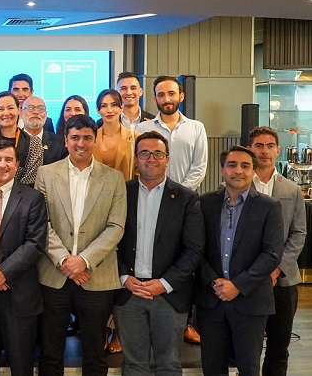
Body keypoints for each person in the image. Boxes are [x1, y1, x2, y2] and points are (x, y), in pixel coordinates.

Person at [34, 114, 126, 376]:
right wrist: (65, 260)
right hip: (54, 275)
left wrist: (84, 260)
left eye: (87, 137)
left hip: (96, 276)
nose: (81, 143)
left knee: (95, 354)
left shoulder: (114, 178)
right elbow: (42, 223)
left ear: (95, 140)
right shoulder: (46, 174)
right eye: (75, 137)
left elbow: (116, 227)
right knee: (50, 353)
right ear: (66, 140)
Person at [114, 131, 204, 375]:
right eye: (144, 153)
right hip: (128, 292)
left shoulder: (186, 198)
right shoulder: (121, 193)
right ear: (135, 159)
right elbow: (110, 240)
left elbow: (194, 250)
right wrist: (123, 277)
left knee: (169, 365)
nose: (151, 158)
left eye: (158, 153)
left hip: (169, 295)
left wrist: (164, 283)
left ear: (167, 159)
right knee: (133, 365)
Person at [195, 146, 283, 376]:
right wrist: (214, 281)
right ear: (222, 170)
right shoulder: (204, 204)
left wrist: (238, 285)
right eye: (232, 165)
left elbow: (272, 254)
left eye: (245, 166)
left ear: (253, 171)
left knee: (249, 368)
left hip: (251, 300)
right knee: (212, 368)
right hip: (211, 299)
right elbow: (195, 249)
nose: (238, 171)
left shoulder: (269, 207)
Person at [0, 139, 47, 376]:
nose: (2, 165)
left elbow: (35, 243)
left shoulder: (33, 198)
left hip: (19, 294)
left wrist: (3, 272)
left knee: (22, 365)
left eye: (8, 160)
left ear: (17, 164)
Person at [247, 127, 307, 376]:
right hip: (246, 279)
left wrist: (276, 269)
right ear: (250, 149)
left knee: (278, 348)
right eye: (259, 145)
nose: (264, 151)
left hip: (282, 280)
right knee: (246, 348)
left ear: (278, 150)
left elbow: (299, 233)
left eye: (270, 146)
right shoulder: (237, 184)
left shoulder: (291, 190)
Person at [136, 75, 208, 191]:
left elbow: (199, 166)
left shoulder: (196, 128)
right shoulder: (142, 129)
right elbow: (139, 165)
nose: (167, 100)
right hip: (151, 193)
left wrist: (182, 191)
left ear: (181, 96)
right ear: (155, 99)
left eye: (171, 94)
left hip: (187, 195)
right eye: (161, 95)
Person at [92, 89, 140, 181]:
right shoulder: (92, 139)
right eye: (104, 106)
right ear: (98, 110)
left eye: (114, 105)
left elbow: (140, 170)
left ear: (121, 108)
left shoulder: (135, 138)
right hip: (97, 189)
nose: (109, 110)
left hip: (126, 188)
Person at [21, 95, 67, 165]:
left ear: (46, 114)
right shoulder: (13, 141)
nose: (36, 112)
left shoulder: (60, 143)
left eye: (40, 109)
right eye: (30, 108)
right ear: (21, 113)